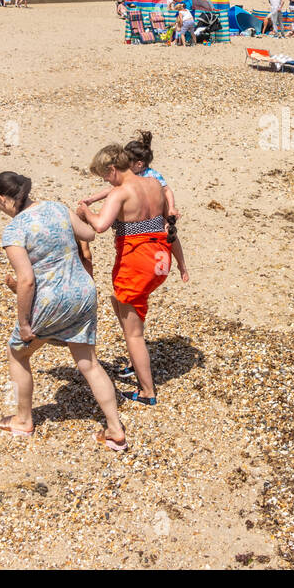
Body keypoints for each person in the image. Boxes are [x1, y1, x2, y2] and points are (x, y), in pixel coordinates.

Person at [0, 171, 127, 449]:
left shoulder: (14, 230)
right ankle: (115, 428)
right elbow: (89, 233)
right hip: (83, 292)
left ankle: (23, 420)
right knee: (89, 362)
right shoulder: (56, 207)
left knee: (17, 353)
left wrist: (25, 323)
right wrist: (82, 214)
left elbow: (27, 280)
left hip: (52, 300)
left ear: (2, 199)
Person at [77, 144, 188, 406]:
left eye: (105, 176)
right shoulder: (154, 184)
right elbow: (168, 226)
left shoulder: (120, 193)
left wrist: (85, 213)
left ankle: (147, 391)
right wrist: (182, 264)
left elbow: (101, 226)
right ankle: (134, 362)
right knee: (120, 303)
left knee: (133, 333)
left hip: (137, 262)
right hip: (161, 258)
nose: (106, 181)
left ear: (113, 169)